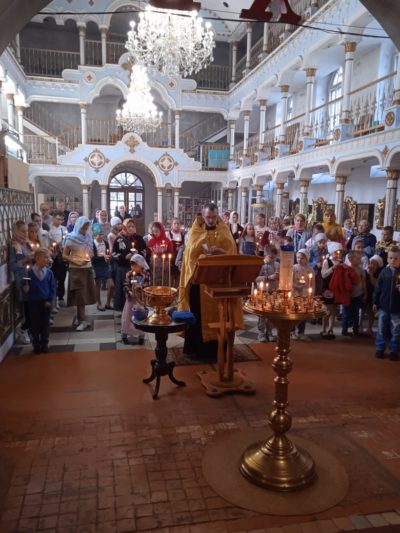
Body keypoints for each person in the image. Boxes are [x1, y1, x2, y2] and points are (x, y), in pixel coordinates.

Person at [178, 203, 244, 359]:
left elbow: (231, 253)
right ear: (203, 215)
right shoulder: (195, 231)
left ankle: (217, 351)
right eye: (208, 217)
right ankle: (197, 350)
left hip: (219, 283)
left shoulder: (224, 231)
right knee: (197, 315)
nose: (211, 220)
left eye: (214, 217)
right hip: (199, 282)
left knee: (220, 316)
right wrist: (204, 256)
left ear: (217, 216)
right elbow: (189, 257)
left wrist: (221, 253)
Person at [62, 216, 97, 331]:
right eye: (83, 227)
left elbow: (91, 253)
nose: (85, 229)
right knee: (79, 295)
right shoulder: (71, 238)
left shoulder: (88, 237)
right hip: (76, 270)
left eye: (87, 227)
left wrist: (87, 258)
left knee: (84, 295)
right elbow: (64, 255)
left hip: (86, 268)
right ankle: (82, 320)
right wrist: (75, 260)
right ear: (78, 225)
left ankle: (81, 318)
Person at [112, 219, 146, 312]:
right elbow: (114, 254)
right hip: (123, 268)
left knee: (136, 288)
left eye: (133, 226)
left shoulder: (138, 238)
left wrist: (138, 254)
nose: (131, 228)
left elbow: (145, 251)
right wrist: (124, 257)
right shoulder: (119, 239)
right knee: (125, 289)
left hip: (137, 269)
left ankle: (137, 309)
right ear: (124, 227)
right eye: (129, 226)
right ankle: (124, 311)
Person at [26, 248, 56, 354]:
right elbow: (25, 286)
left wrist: (49, 300)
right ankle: (36, 344)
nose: (48, 259)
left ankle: (44, 343)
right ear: (37, 258)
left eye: (48, 257)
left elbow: (52, 288)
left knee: (45, 323)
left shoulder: (49, 273)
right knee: (35, 323)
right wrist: (25, 288)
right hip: (34, 302)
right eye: (45, 257)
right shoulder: (29, 273)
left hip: (45, 302)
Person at [9, 221, 34, 345]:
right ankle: (23, 329)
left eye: (26, 231)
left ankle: (30, 330)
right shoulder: (14, 246)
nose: (25, 234)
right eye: (23, 231)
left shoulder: (25, 244)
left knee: (32, 307)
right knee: (28, 308)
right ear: (15, 231)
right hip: (22, 281)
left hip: (31, 278)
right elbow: (12, 266)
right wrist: (25, 259)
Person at [373, 247, 400, 360]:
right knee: (381, 329)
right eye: (390, 258)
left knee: (396, 330)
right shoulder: (384, 272)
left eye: (396, 258)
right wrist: (375, 302)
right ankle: (380, 348)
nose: (393, 260)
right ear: (387, 259)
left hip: (397, 308)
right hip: (383, 306)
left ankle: (394, 350)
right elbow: (378, 288)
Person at [121, 254, 150, 345]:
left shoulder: (145, 275)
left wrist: (141, 288)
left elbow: (148, 286)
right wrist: (129, 291)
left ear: (140, 264)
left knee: (141, 317)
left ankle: (141, 336)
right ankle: (124, 334)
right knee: (127, 317)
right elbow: (125, 285)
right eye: (131, 265)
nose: (133, 267)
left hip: (141, 300)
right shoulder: (129, 274)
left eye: (135, 265)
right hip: (131, 300)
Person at [255, 245, 279, 342]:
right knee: (262, 313)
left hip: (274, 291)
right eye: (271, 257)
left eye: (275, 257)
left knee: (272, 313)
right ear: (265, 255)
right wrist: (268, 278)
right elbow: (256, 278)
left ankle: (270, 332)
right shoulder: (261, 265)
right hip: (263, 291)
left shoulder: (277, 264)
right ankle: (261, 333)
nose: (273, 259)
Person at [341, 250, 366, 338]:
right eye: (357, 258)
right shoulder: (346, 268)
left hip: (358, 294)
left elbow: (363, 281)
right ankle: (344, 330)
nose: (360, 260)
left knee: (356, 313)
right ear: (351, 259)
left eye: (360, 258)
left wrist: (365, 293)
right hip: (348, 295)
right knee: (346, 313)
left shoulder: (361, 269)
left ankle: (356, 330)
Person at [292, 249, 315, 341]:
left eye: (302, 258)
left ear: (307, 259)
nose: (299, 260)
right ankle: (292, 331)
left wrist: (311, 295)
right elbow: (289, 281)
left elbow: (312, 284)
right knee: (294, 312)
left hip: (305, 294)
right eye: (298, 257)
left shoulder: (310, 270)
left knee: (303, 313)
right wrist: (296, 286)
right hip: (295, 293)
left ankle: (301, 332)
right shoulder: (294, 268)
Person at [91, 224, 113, 311]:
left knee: (111, 285)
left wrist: (108, 258)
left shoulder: (105, 243)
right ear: (95, 235)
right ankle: (99, 303)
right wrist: (103, 257)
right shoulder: (92, 244)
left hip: (105, 265)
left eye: (102, 234)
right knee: (98, 285)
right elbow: (92, 258)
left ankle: (108, 303)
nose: (101, 236)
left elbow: (107, 254)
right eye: (99, 234)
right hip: (96, 265)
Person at [49, 210, 68, 307]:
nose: (60, 221)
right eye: (58, 219)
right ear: (53, 218)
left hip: (62, 256)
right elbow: (49, 242)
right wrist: (56, 244)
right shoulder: (49, 229)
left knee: (62, 277)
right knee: (53, 278)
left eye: (61, 219)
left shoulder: (64, 229)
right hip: (53, 256)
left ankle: (61, 297)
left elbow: (67, 240)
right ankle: (54, 298)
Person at [167, 218, 185, 287]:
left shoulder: (183, 235)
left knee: (179, 280)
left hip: (180, 261)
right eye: (175, 223)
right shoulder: (168, 234)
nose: (177, 225)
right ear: (171, 225)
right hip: (171, 260)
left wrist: (181, 248)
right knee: (170, 281)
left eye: (178, 223)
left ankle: (178, 293)